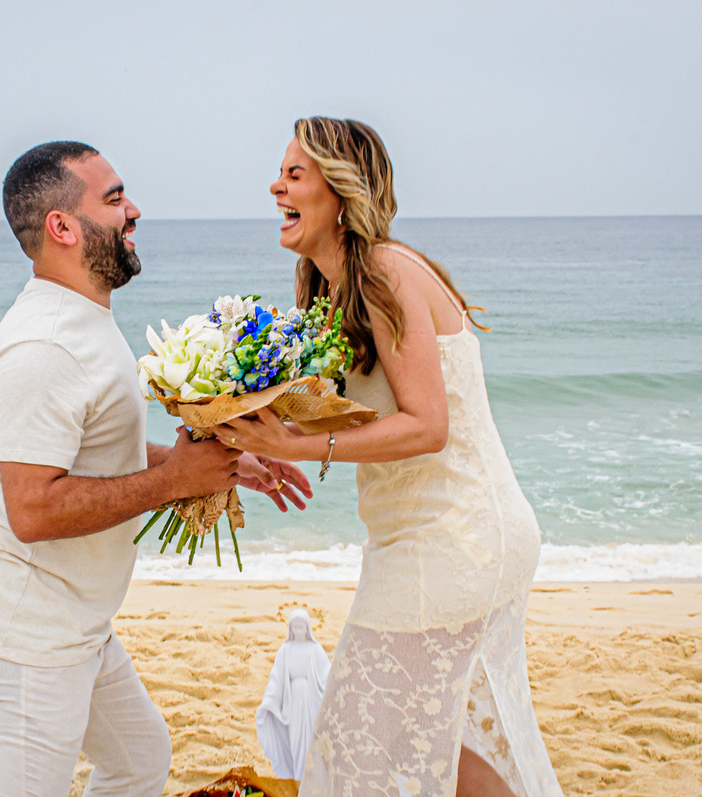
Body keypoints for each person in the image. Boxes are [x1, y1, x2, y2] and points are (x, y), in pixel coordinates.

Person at [0, 140, 311, 797]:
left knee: (139, 757)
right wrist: (175, 480)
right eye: (113, 199)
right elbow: (33, 508)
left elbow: (93, 454)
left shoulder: (81, 320)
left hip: (73, 621)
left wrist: (221, 465)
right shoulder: (45, 347)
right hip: (23, 632)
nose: (133, 211)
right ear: (62, 226)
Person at [215, 118, 564, 796]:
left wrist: (298, 444)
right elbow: (343, 411)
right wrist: (251, 442)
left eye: (295, 174)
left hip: (453, 536)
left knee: (355, 745)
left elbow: (428, 425)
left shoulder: (384, 269)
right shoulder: (323, 286)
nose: (275, 185)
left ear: (339, 191)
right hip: (425, 536)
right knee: (437, 739)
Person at [256, 608, 331, 781]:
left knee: (309, 739)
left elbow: (326, 675)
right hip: (293, 703)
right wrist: (269, 700)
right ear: (290, 629)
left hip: (310, 700)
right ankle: (297, 776)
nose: (298, 631)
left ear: (308, 628)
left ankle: (308, 778)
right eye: (295, 627)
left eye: (301, 627)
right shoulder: (285, 650)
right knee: (295, 741)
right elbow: (277, 679)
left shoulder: (315, 649)